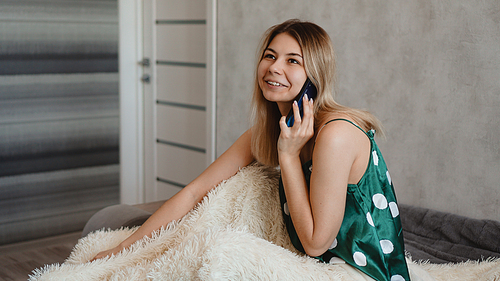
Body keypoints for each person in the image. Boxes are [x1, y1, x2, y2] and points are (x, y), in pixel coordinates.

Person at [92, 19, 410, 281]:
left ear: (314, 77)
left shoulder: (335, 134)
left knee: (221, 253)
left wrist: (287, 155)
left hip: (362, 274)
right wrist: (125, 249)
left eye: (293, 61)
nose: (274, 68)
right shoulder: (268, 131)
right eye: (270, 56)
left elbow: (316, 243)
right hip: (321, 265)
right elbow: (196, 191)